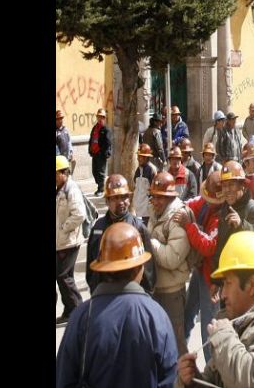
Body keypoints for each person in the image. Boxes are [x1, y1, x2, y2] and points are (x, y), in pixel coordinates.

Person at [176, 230, 254, 387]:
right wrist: (193, 380)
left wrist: (224, 338)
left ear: (252, 285)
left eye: (228, 283)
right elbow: (219, 381)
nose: (222, 294)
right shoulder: (236, 322)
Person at [56, 222, 178, 387]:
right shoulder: (156, 315)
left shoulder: (82, 316)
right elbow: (169, 377)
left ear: (103, 269)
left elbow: (63, 379)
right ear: (140, 268)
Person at [174, 170, 223, 363]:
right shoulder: (205, 203)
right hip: (200, 270)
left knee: (208, 325)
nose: (208, 202)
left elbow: (208, 245)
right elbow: (190, 204)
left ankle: (212, 368)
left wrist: (189, 226)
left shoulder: (222, 217)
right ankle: (181, 360)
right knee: (188, 313)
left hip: (212, 277)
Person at [87, 174, 156, 296]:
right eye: (115, 198)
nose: (120, 202)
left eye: (124, 197)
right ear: (107, 201)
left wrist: (143, 297)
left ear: (129, 199)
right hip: (105, 295)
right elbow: (91, 267)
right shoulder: (98, 228)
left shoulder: (138, 228)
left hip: (132, 296)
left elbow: (149, 271)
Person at [147, 171, 191, 356]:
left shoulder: (177, 217)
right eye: (154, 197)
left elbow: (172, 258)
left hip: (172, 293)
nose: (155, 201)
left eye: (160, 197)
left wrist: (151, 242)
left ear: (170, 197)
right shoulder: (156, 212)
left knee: (176, 345)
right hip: (156, 288)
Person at [56, 155, 86, 323]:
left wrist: (63, 228)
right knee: (64, 277)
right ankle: (69, 311)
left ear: (63, 173)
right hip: (61, 242)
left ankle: (79, 312)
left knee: (63, 276)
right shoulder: (59, 188)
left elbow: (79, 214)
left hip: (69, 241)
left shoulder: (71, 189)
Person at [88, 108, 112, 195]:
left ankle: (101, 189)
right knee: (94, 171)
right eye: (99, 117)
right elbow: (91, 139)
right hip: (94, 153)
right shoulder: (95, 128)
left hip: (101, 154)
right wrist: (90, 149)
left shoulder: (106, 129)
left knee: (101, 172)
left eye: (102, 117)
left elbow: (108, 142)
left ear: (104, 118)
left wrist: (105, 153)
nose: (100, 119)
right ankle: (100, 186)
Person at [132, 143, 158, 222]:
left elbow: (155, 189)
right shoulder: (138, 170)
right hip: (139, 206)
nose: (138, 159)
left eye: (141, 157)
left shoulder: (152, 170)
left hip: (148, 207)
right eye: (138, 156)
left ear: (147, 157)